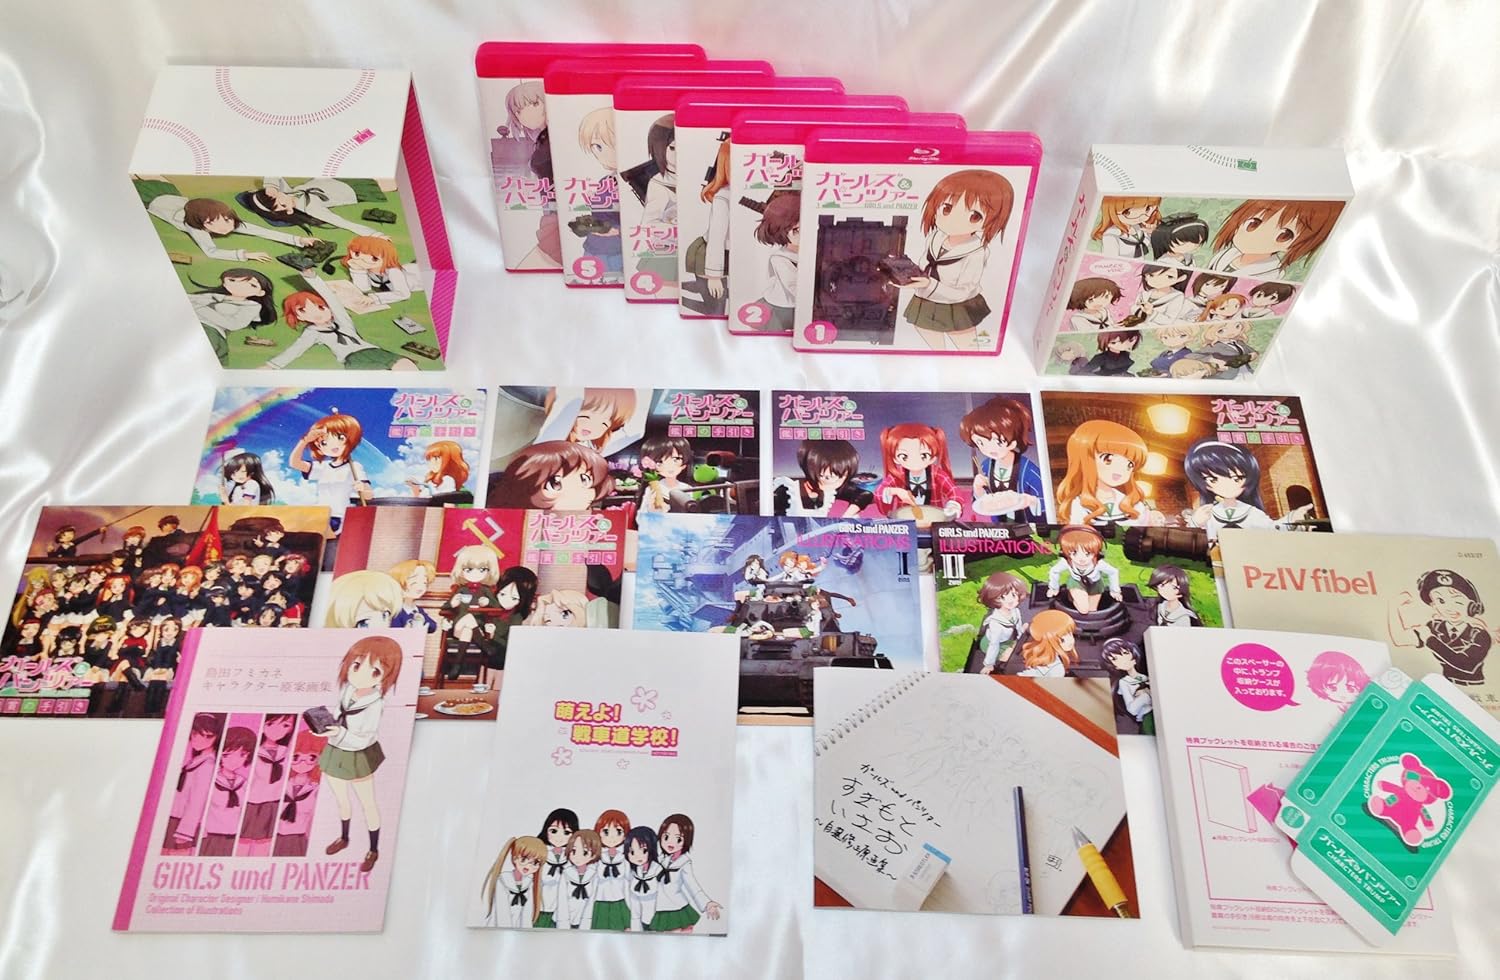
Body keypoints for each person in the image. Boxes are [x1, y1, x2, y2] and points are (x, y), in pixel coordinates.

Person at [901, 169, 1015, 350]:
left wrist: (928, 284)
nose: (954, 220)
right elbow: (925, 263)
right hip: (927, 299)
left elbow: (964, 290)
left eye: (974, 216)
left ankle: (968, 361)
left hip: (957, 304)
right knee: (925, 329)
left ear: (990, 222)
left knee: (965, 341)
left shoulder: (976, 252)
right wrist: (906, 275)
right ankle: (940, 357)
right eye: (946, 209)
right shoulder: (935, 237)